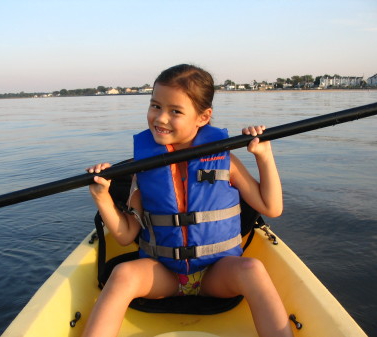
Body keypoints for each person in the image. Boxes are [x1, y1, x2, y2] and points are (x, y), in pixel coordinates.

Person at [83, 64, 292, 337]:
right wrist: (102, 198)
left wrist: (264, 156)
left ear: (203, 117)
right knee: (121, 274)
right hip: (164, 274)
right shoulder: (143, 168)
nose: (161, 118)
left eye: (175, 111)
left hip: (217, 273)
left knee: (252, 269)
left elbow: (272, 207)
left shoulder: (224, 161)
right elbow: (125, 235)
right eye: (155, 106)